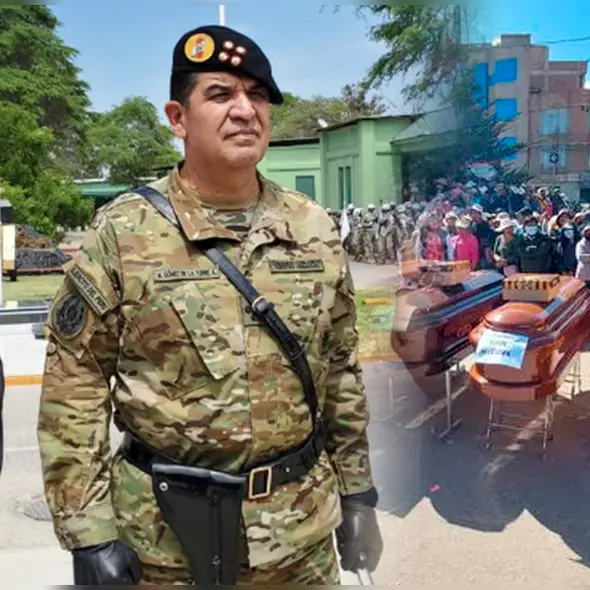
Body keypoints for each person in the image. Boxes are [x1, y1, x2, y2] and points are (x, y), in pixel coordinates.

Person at [37, 25, 382, 586]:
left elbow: (341, 371)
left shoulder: (312, 228)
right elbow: (73, 388)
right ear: (178, 118)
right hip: (166, 543)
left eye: (258, 95)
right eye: (220, 94)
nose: (245, 110)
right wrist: (87, 530)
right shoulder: (125, 232)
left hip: (300, 534)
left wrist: (359, 494)